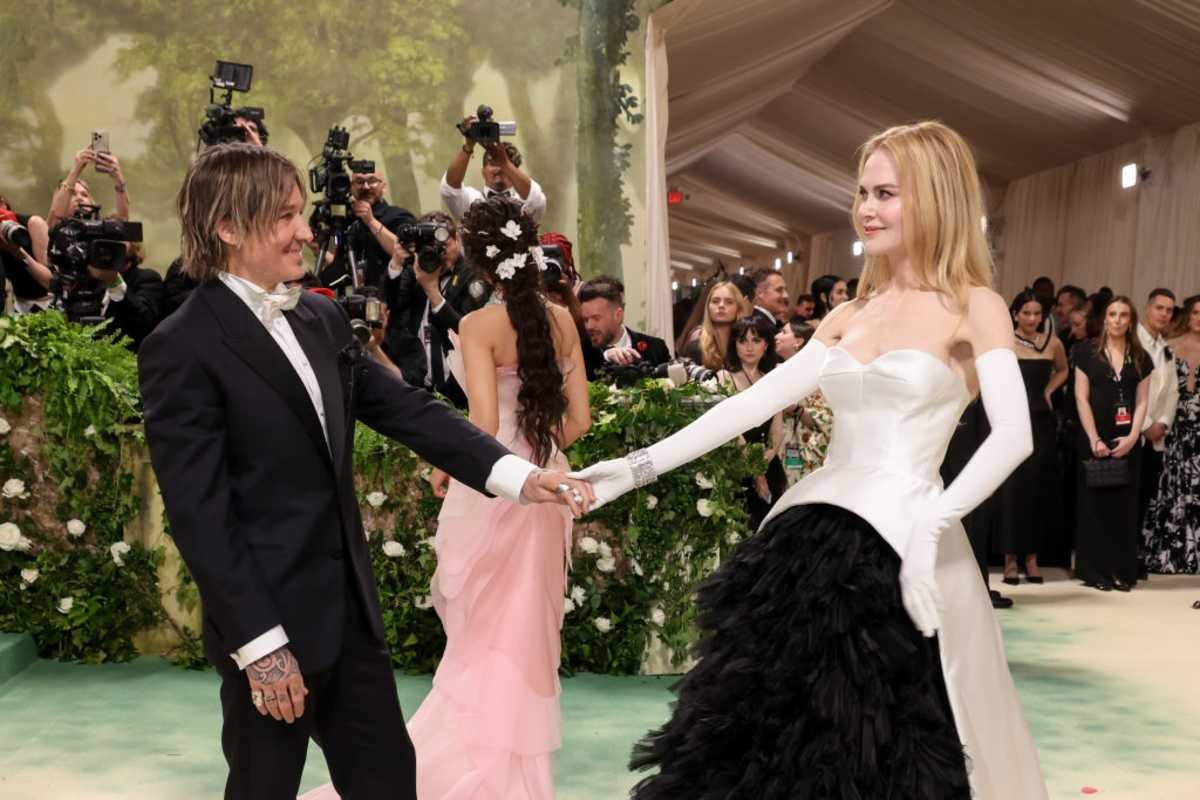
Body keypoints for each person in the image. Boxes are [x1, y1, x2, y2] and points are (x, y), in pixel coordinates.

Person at [576, 121, 1047, 798]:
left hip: (904, 542)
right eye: (862, 192)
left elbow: (1015, 435)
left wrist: (933, 528)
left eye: (886, 192)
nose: (867, 208)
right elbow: (745, 407)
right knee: (771, 743)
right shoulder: (850, 314)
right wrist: (628, 470)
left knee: (885, 743)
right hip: (809, 540)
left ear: (933, 197)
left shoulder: (975, 307)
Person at [138, 144, 593, 800]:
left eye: (302, 212)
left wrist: (518, 475)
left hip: (351, 620)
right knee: (264, 786)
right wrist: (261, 645)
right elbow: (200, 517)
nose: (305, 230)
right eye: (284, 218)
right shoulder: (181, 347)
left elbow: (403, 408)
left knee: (388, 782)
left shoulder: (320, 316)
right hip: (272, 632)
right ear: (228, 229)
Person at [1073, 296, 1154, 592]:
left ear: (1130, 320)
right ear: (1104, 318)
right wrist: (1093, 437)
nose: (1117, 320)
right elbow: (1081, 397)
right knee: (1094, 506)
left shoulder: (1141, 357)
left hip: (1127, 442)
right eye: (1112, 314)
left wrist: (1133, 437)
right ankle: (1095, 571)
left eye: (1123, 315)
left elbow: (1143, 400)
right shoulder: (1086, 352)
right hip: (1095, 438)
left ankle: (1121, 571)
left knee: (1123, 507)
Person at [994, 289, 1068, 584]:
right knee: (1011, 487)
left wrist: (1049, 390)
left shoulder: (1054, 343)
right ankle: (1009, 558)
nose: (1032, 319)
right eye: (1026, 313)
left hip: (1041, 420)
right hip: (1010, 419)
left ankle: (1032, 558)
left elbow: (1063, 370)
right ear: (1015, 314)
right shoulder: (1004, 341)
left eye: (1037, 313)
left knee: (1037, 487)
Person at [1143, 294, 1200, 574]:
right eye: (1196, 312)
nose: (1199, 318)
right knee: (1172, 488)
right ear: (1187, 315)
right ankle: (1170, 553)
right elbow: (1159, 388)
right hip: (1175, 428)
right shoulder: (1169, 347)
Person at [719, 315, 786, 529]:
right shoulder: (724, 378)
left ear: (766, 345)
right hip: (737, 463)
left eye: (756, 341)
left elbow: (777, 428)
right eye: (743, 340)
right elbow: (729, 429)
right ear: (734, 345)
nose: (749, 347)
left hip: (768, 462)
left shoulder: (773, 378)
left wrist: (770, 453)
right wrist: (755, 470)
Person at [1136, 289, 1178, 565]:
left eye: (1169, 310)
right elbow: (1129, 391)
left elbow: (1172, 392)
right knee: (1125, 500)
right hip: (1133, 432)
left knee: (1143, 499)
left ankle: (1134, 555)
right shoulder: (1133, 342)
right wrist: (1147, 424)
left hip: (1155, 437)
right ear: (1148, 308)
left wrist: (1162, 422)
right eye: (1159, 308)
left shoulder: (1165, 347)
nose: (1164, 314)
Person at [441, 117, 546, 223]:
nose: (498, 169)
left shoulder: (524, 204)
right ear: (483, 171)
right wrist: (468, 145)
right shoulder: (471, 201)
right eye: (492, 163)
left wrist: (505, 163)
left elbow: (537, 201)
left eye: (503, 165)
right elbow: (450, 190)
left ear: (515, 171)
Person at [579, 276, 670, 380]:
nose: (589, 326)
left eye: (596, 318)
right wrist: (606, 355)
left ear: (618, 315)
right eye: (585, 320)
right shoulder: (580, 353)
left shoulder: (656, 348)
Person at [676, 280, 752, 371]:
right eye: (715, 301)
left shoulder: (747, 342)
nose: (721, 306)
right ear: (708, 307)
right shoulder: (697, 346)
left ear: (738, 307)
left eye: (729, 302)